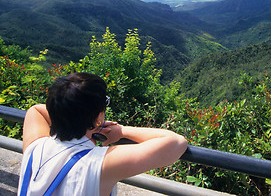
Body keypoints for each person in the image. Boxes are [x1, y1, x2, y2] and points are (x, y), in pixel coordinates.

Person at [18, 72, 188, 196]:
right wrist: (121, 131)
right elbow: (176, 143)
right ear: (99, 115)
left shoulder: (35, 147)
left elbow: (36, 110)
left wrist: (87, 123)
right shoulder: (99, 163)